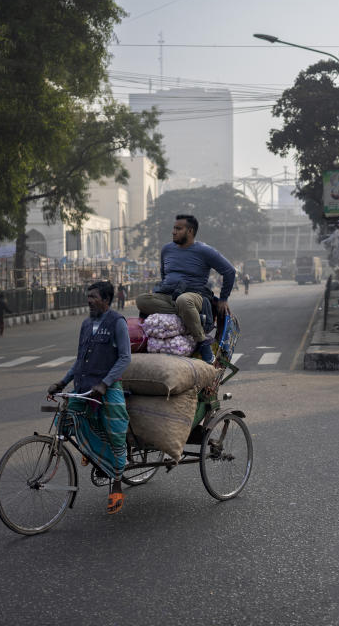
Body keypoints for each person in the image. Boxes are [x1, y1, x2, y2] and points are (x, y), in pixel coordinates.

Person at [48, 281, 131, 515]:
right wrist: (62, 382)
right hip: (84, 386)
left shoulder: (117, 322)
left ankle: (116, 483)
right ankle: (94, 454)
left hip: (108, 386)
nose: (89, 300)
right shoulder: (86, 324)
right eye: (88, 296)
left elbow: (125, 358)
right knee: (65, 422)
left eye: (93, 296)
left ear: (106, 299)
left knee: (116, 432)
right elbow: (79, 360)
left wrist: (105, 384)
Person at [135, 214, 236, 364]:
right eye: (174, 228)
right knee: (141, 300)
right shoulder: (167, 249)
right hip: (168, 296)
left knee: (184, 300)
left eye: (178, 228)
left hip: (194, 295)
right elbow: (165, 276)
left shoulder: (204, 250)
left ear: (190, 231)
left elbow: (229, 271)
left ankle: (202, 343)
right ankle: (191, 316)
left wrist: (223, 299)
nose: (173, 232)